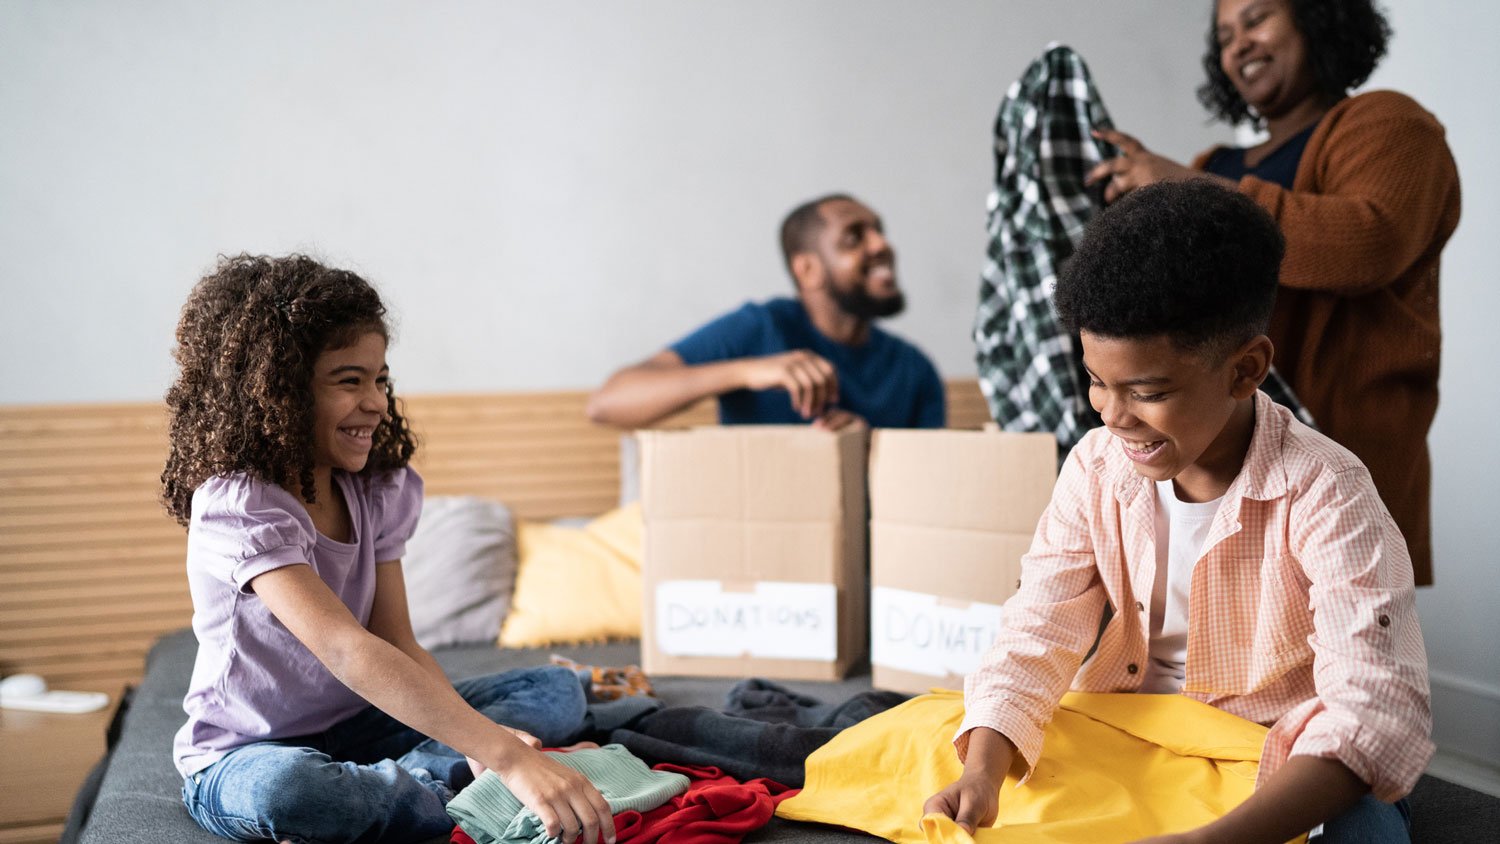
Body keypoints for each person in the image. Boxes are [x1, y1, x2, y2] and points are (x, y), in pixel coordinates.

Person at [923, 182, 1430, 844]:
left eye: (1149, 391)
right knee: (941, 746)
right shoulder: (1095, 466)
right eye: (1097, 382)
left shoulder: (1328, 490)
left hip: (1268, 755)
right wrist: (984, 773)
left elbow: (1374, 710)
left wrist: (1208, 841)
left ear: (1245, 370)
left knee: (1364, 829)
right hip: (1135, 731)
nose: (1113, 414)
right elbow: (1036, 630)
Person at [160, 255, 616, 844]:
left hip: (364, 721)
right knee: (291, 792)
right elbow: (347, 649)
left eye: (379, 379)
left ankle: (425, 782)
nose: (375, 401)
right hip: (249, 751)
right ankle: (462, 785)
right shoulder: (240, 504)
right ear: (280, 391)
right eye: (349, 381)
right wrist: (503, 755)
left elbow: (396, 642)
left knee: (552, 693)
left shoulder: (373, 487)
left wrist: (482, 740)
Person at [1084, 0, 1461, 585]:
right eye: (1224, 35)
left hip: (1342, 450)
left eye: (1256, 19)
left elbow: (1366, 244)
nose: (1238, 45)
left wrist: (1187, 185)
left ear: (1319, 18)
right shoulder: (1218, 162)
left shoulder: (1389, 124)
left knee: (1338, 653)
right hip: (1220, 465)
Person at [587, 194, 945, 431]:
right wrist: (748, 371)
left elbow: (929, 493)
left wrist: (869, 450)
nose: (882, 245)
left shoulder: (915, 369)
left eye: (879, 232)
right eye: (854, 238)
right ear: (807, 270)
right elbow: (607, 404)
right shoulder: (759, 328)